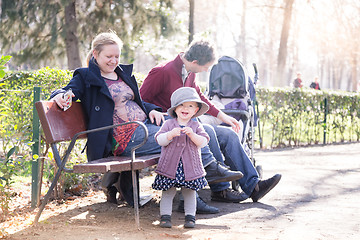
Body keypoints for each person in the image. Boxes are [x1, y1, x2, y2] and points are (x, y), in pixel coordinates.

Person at [50, 31, 242, 211]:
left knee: (189, 124)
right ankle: (208, 175)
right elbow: (67, 90)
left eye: (117, 56)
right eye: (109, 56)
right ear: (96, 54)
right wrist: (61, 96)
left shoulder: (122, 74)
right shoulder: (86, 76)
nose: (114, 61)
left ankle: (205, 178)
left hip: (144, 127)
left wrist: (154, 110)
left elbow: (138, 101)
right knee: (181, 136)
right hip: (123, 137)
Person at [140, 39, 281, 205]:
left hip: (188, 125)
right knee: (207, 130)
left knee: (228, 134)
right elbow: (140, 99)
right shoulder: (162, 72)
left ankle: (254, 186)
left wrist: (222, 116)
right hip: (169, 127)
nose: (206, 70)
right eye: (206, 67)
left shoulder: (190, 72)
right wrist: (152, 109)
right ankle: (220, 189)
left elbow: (199, 97)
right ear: (195, 62)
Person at [153, 87, 212, 228]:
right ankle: (165, 217)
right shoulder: (168, 124)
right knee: (168, 192)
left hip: (190, 167)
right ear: (175, 109)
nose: (185, 108)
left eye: (190, 106)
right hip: (169, 167)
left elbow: (203, 142)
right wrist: (169, 135)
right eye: (181, 105)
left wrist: (193, 135)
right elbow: (160, 140)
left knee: (190, 193)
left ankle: (190, 217)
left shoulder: (196, 125)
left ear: (196, 110)